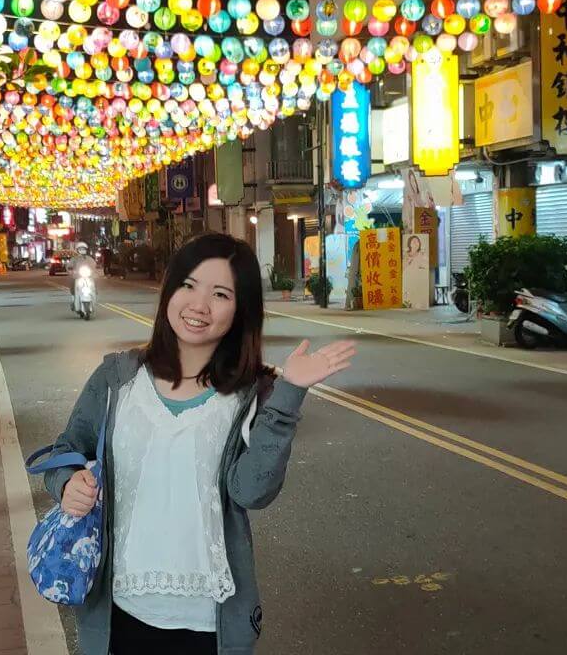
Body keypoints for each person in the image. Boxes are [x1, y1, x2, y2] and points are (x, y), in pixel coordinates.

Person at [41, 232, 356, 655]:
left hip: (209, 623)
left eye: (220, 293)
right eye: (188, 285)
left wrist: (290, 395)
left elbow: (252, 492)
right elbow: (64, 450)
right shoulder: (118, 379)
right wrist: (67, 483)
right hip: (118, 613)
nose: (198, 306)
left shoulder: (251, 395)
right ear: (170, 290)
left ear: (240, 309)